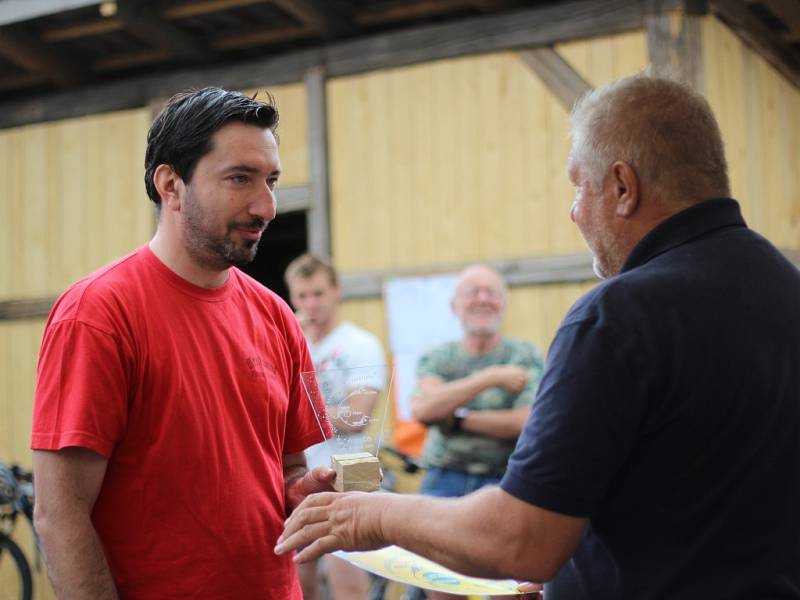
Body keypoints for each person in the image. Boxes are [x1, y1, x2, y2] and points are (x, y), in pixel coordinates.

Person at [275, 73, 800, 599]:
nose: (574, 211)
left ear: (622, 187)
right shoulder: (786, 288)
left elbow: (523, 539)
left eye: (579, 184)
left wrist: (370, 513)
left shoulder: (618, 317)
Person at [31, 87, 337, 599]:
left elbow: (287, 467)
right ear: (171, 185)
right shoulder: (97, 315)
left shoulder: (277, 317)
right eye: (240, 178)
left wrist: (299, 493)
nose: (266, 205)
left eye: (271, 181)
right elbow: (59, 515)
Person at [411, 264, 542, 600]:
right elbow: (424, 410)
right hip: (444, 479)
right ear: (455, 306)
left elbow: (526, 423)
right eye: (473, 292)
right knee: (440, 586)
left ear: (504, 304)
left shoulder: (526, 355)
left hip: (507, 481)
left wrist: (455, 419)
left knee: (508, 591)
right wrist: (492, 377)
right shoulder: (438, 356)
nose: (482, 299)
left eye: (492, 293)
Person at [285, 252, 387, 600]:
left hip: (349, 471)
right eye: (301, 296)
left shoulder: (360, 344)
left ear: (336, 292)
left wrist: (292, 410)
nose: (310, 304)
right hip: (297, 474)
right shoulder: (288, 342)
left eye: (317, 294)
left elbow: (356, 417)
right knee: (298, 581)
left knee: (349, 584)